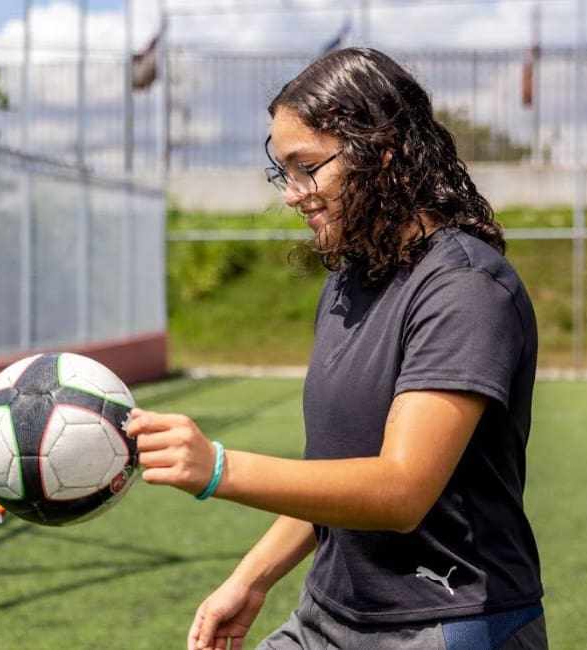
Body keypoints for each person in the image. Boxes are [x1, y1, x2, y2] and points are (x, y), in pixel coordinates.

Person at [126, 49, 546, 650]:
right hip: (328, 617)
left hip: (443, 624)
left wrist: (219, 469)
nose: (293, 194)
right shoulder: (350, 280)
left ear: (383, 152)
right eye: (283, 173)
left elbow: (400, 491)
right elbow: (335, 471)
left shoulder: (465, 289)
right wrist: (250, 580)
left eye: (307, 167)